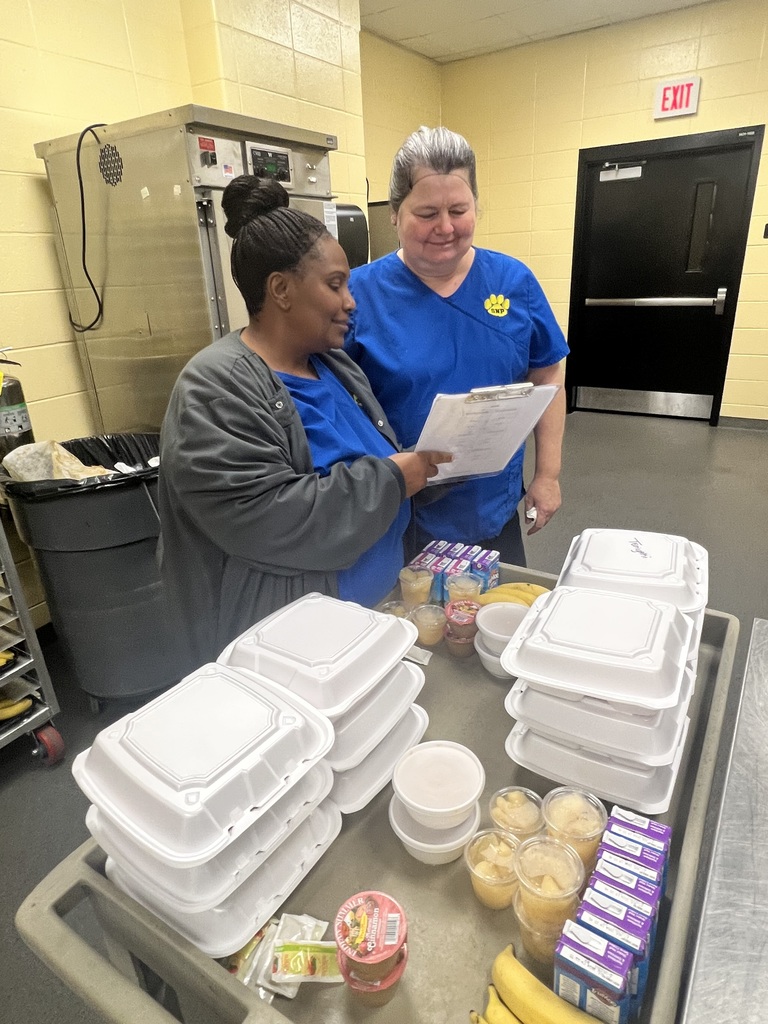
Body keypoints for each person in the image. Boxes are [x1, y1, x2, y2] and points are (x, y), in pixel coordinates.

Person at [158, 176, 449, 674]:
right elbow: (273, 520)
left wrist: (423, 469)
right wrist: (395, 478)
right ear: (281, 290)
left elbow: (372, 463)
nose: (350, 301)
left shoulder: (334, 366)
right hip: (293, 647)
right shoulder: (215, 388)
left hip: (369, 619)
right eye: (335, 285)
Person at [345, 126, 569, 566]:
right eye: (427, 213)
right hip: (396, 514)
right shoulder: (358, 295)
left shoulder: (513, 282)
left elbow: (548, 374)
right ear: (394, 213)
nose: (445, 227)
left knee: (494, 622)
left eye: (459, 209)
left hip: (491, 508)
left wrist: (547, 475)